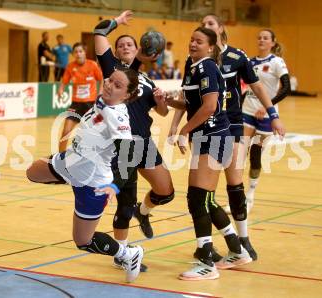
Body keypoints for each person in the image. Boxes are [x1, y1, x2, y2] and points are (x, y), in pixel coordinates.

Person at [26, 68, 144, 283]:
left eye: (118, 86)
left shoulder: (117, 117)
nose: (109, 85)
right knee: (32, 172)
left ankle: (128, 254)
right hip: (69, 162)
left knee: (83, 241)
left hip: (92, 183)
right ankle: (69, 178)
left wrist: (114, 187)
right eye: (110, 80)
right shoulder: (102, 98)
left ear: (127, 95)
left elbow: (128, 158)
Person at [166, 27, 252, 281]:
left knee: (198, 199)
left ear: (211, 47)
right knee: (205, 199)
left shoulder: (207, 68)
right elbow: (193, 105)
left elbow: (210, 107)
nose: (192, 43)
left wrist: (184, 130)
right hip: (208, 138)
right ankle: (236, 250)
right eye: (191, 39)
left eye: (199, 41)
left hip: (214, 138)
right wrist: (170, 102)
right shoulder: (194, 67)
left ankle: (206, 263)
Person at [93, 10, 175, 270]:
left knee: (166, 192)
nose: (125, 46)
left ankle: (145, 211)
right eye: (121, 45)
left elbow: (161, 112)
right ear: (116, 52)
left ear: (138, 47)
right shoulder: (113, 70)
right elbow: (99, 31)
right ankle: (122, 255)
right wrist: (117, 22)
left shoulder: (148, 80)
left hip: (145, 143)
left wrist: (162, 102)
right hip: (121, 146)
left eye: (129, 44)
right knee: (124, 204)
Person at [242, 29, 290, 212]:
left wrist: (268, 106)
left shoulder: (277, 62)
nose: (261, 40)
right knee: (239, 154)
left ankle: (250, 196)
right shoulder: (250, 62)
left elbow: (286, 88)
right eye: (259, 38)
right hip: (247, 111)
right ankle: (237, 198)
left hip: (267, 115)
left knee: (255, 156)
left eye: (265, 38)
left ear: (272, 42)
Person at [57, 42, 104, 152]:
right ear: (73, 54)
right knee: (65, 132)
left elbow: (102, 79)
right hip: (76, 105)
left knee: (95, 133)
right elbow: (64, 81)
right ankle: (60, 157)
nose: (78, 54)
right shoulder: (70, 66)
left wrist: (100, 93)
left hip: (91, 104)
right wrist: (60, 90)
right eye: (76, 52)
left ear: (85, 53)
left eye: (80, 51)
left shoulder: (92, 65)